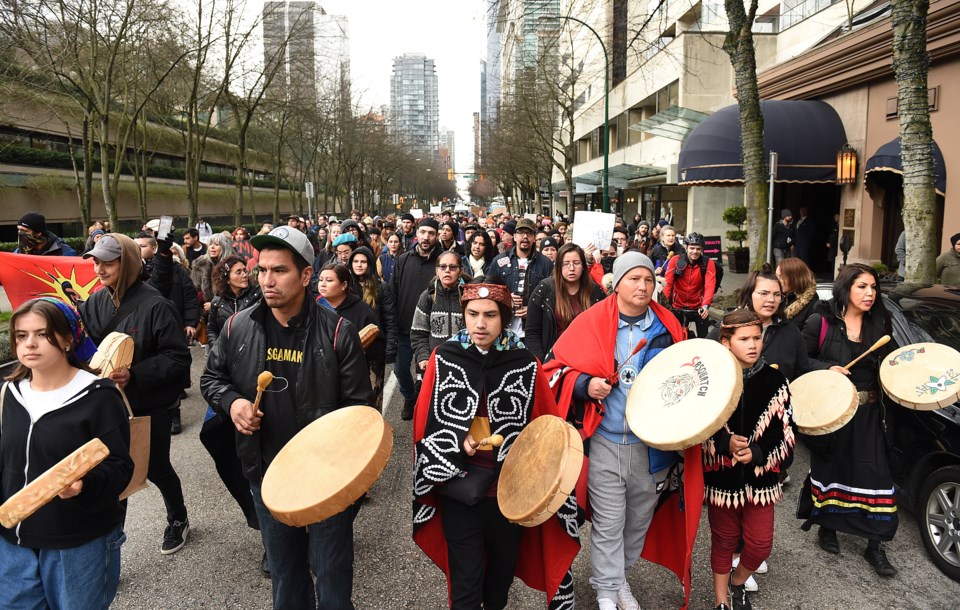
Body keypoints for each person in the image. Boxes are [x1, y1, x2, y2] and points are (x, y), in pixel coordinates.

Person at [200, 226, 372, 609]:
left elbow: (361, 413)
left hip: (326, 478)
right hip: (266, 475)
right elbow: (212, 378)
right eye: (262, 271)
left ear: (306, 275)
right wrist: (233, 404)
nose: (266, 280)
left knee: (331, 579)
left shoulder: (339, 333)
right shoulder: (237, 326)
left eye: (279, 271)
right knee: (286, 579)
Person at [543, 252, 702, 610]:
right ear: (616, 283)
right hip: (605, 440)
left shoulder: (669, 328)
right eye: (634, 279)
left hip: (652, 446)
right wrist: (585, 384)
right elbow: (554, 368)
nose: (643, 286)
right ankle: (606, 590)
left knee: (638, 523)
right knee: (609, 522)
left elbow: (690, 377)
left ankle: (618, 580)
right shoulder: (590, 322)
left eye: (649, 279)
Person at [411, 276, 579, 609]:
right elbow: (425, 425)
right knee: (466, 586)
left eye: (490, 315)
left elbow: (547, 429)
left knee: (499, 584)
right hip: (460, 490)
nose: (480, 323)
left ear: (505, 318)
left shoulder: (526, 364)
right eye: (473, 314)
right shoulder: (444, 358)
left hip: (511, 495)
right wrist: (457, 440)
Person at [0, 298, 133, 609]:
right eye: (21, 335)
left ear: (68, 338)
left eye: (42, 334)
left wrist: (84, 485)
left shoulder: (98, 396)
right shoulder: (10, 393)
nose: (29, 343)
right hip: (13, 543)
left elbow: (120, 467)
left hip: (76, 543)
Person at [79, 234, 192, 554]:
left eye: (108, 262)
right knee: (115, 473)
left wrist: (135, 374)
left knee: (156, 468)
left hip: (148, 405)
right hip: (106, 406)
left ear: (127, 262)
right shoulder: (94, 303)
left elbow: (178, 358)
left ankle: (179, 518)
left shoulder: (156, 304)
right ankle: (113, 540)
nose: (99, 269)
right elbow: (84, 348)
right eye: (96, 262)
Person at [800, 263, 899, 577]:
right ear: (846, 288)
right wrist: (826, 369)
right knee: (832, 468)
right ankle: (827, 526)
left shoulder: (881, 322)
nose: (870, 293)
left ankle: (876, 543)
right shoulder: (821, 322)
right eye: (862, 287)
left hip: (869, 413)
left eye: (873, 287)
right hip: (832, 412)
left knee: (875, 475)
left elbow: (893, 366)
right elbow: (800, 362)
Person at [705, 308, 795, 610]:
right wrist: (724, 441)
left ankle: (738, 582)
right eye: (744, 338)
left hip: (761, 478)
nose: (753, 344)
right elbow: (697, 425)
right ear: (726, 342)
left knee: (759, 545)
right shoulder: (711, 381)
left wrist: (757, 453)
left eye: (757, 337)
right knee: (724, 539)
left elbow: (785, 432)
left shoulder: (775, 380)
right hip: (722, 477)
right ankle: (721, 601)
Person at [200, 253, 267, 573]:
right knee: (217, 436)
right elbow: (213, 332)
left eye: (246, 270)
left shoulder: (259, 298)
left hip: (260, 383)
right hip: (229, 379)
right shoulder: (218, 304)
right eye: (240, 271)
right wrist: (219, 349)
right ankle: (268, 532)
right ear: (225, 276)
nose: (247, 275)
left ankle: (280, 537)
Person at [390, 218, 442, 420]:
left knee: (430, 372)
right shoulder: (403, 259)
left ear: (436, 235)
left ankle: (430, 408)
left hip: (432, 330)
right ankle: (410, 397)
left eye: (431, 233)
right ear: (416, 234)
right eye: (423, 232)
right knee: (400, 369)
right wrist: (392, 324)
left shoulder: (442, 261)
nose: (426, 237)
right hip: (404, 327)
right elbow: (393, 292)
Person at [525, 243, 606, 362]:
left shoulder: (595, 292)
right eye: (566, 264)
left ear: (583, 266)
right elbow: (532, 332)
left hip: (587, 361)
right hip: (553, 360)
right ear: (558, 266)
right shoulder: (544, 290)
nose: (571, 268)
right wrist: (542, 364)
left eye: (576, 263)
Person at [347, 247, 398, 411]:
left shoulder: (381, 287)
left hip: (375, 350)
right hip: (349, 351)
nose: (359, 265)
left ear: (370, 264)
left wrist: (390, 348)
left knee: (373, 396)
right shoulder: (345, 286)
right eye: (356, 261)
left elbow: (390, 319)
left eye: (363, 261)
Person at [489, 218, 554, 337]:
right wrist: (506, 298)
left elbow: (554, 296)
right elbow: (488, 291)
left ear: (534, 238)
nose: (525, 236)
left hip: (533, 331)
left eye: (529, 233)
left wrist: (534, 309)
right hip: (504, 330)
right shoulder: (499, 261)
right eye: (520, 233)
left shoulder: (546, 264)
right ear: (514, 236)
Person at [411, 251, 466, 379]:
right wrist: (423, 356)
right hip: (434, 365)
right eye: (443, 267)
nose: (447, 271)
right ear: (437, 270)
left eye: (453, 267)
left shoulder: (467, 298)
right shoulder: (427, 297)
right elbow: (418, 333)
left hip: (463, 366)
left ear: (460, 271)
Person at [662, 232, 717, 338]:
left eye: (698, 249)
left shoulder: (708, 263)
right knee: (672, 338)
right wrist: (664, 306)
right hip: (677, 305)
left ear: (702, 249)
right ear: (686, 247)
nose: (695, 252)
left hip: (698, 307)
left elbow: (710, 286)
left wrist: (705, 305)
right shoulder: (676, 260)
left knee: (703, 338)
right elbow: (668, 283)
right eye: (692, 248)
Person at [191, 233, 236, 312]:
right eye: (210, 244)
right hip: (205, 312)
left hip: (228, 311)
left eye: (216, 244)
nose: (212, 247)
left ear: (224, 247)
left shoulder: (234, 264)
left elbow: (236, 292)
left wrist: (215, 304)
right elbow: (194, 289)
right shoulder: (200, 264)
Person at [777, 257, 820, 330]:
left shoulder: (813, 306)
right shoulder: (777, 299)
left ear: (795, 278)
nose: (777, 280)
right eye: (776, 276)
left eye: (781, 277)